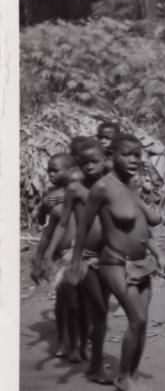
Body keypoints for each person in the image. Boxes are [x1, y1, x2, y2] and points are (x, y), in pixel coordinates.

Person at [66, 133, 165, 391]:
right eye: (127, 154)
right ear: (113, 157)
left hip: (142, 263)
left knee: (142, 323)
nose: (134, 159)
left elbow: (146, 225)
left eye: (138, 154)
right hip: (115, 263)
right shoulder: (102, 188)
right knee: (138, 318)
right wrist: (75, 263)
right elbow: (85, 225)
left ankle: (131, 376)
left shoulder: (131, 186)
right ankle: (123, 377)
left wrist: (158, 254)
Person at [47, 138, 113, 383]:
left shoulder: (112, 185)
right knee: (84, 306)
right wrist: (47, 256)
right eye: (83, 162)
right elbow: (62, 222)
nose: (88, 167)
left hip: (109, 257)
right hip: (82, 255)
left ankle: (86, 349)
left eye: (94, 161)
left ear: (105, 160)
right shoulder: (75, 189)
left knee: (95, 308)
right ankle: (85, 355)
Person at [31, 153, 83, 362]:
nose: (51, 174)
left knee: (75, 302)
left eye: (56, 170)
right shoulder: (51, 195)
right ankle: (64, 341)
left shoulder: (80, 193)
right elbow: (46, 227)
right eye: (49, 171)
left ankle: (74, 342)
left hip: (77, 253)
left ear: (71, 170)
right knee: (65, 301)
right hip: (59, 255)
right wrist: (40, 259)